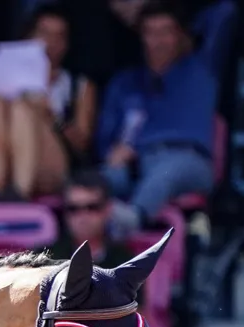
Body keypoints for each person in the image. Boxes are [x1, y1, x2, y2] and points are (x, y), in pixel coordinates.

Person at [96, 1, 219, 235]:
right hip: (138, 162)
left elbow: (223, 11)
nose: (158, 41)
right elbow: (105, 141)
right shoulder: (125, 83)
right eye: (150, 33)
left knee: (166, 172)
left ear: (180, 36)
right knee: (98, 182)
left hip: (189, 159)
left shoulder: (202, 68)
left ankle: (133, 219)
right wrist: (113, 153)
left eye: (166, 32)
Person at [0, 4, 96, 199]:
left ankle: (20, 196)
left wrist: (52, 116)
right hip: (5, 160)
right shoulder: (7, 76)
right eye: (45, 34)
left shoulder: (79, 85)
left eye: (60, 36)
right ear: (29, 37)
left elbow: (82, 146)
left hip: (53, 163)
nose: (51, 43)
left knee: (22, 109)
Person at [52, 171, 135, 268]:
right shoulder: (47, 260)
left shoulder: (125, 263)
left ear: (107, 210)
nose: (83, 216)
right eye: (73, 208)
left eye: (92, 207)